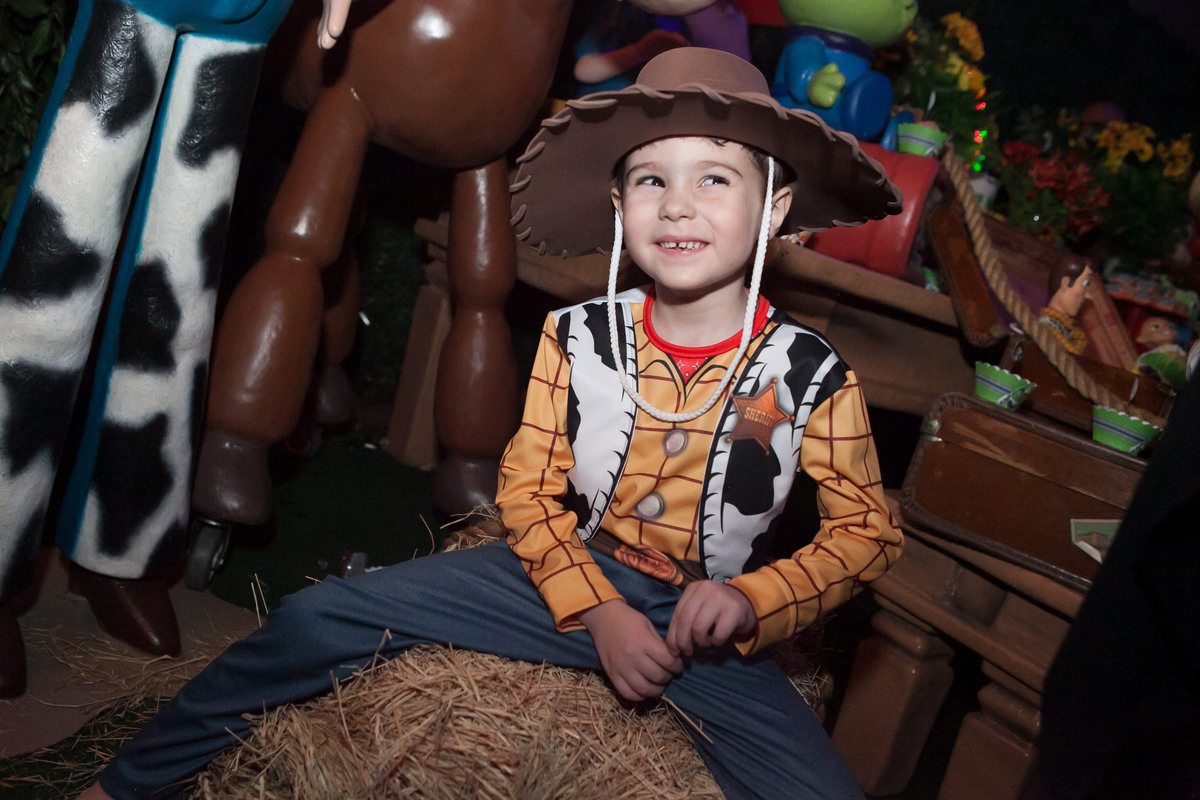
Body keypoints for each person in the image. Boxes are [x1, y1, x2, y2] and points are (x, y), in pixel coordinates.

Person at [82, 47, 903, 799]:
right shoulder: (576, 338)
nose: (678, 206)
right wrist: (599, 610)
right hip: (556, 582)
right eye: (652, 180)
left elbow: (868, 530)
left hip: (709, 627)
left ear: (775, 205)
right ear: (620, 206)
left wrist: (755, 600)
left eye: (715, 180)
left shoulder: (812, 373)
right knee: (313, 618)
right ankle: (127, 783)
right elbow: (527, 487)